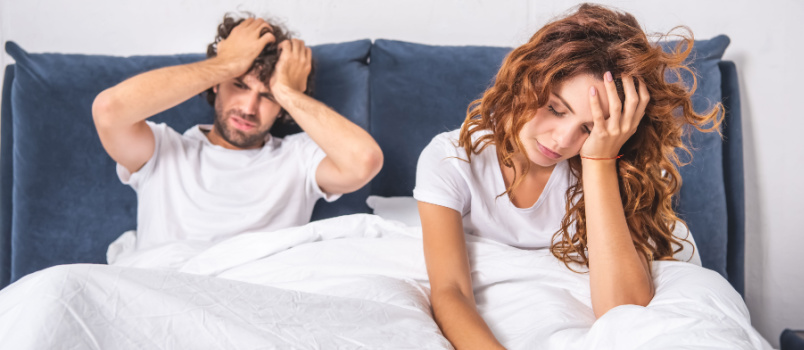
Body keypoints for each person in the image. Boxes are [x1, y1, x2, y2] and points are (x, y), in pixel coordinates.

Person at [413, 4, 720, 349]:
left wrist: (599, 160)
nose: (561, 140)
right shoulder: (452, 159)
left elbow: (623, 307)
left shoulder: (612, 163)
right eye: (555, 109)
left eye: (589, 128)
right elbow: (449, 291)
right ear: (526, 82)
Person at [92, 14, 383, 254]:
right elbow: (108, 110)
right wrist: (225, 64)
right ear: (217, 83)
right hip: (162, 293)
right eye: (239, 85)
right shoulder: (162, 149)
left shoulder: (299, 157)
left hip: (248, 299)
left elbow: (364, 161)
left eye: (267, 96)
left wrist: (287, 91)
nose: (248, 107)